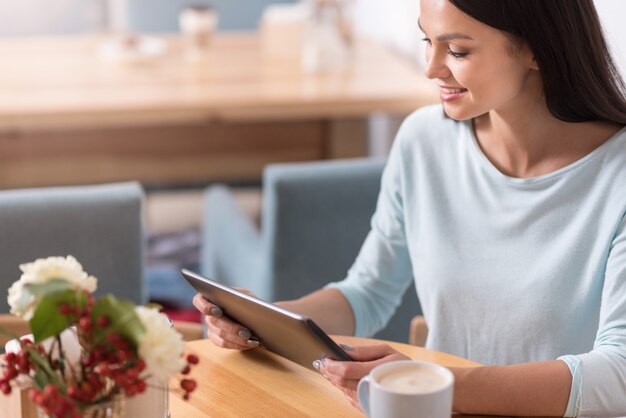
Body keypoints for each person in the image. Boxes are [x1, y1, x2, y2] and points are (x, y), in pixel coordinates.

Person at [193, 0, 626, 415]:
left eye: (457, 50)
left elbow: (618, 373)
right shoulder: (424, 141)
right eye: (427, 41)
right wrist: (265, 321)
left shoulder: (616, 175)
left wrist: (433, 384)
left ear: (537, 47)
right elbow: (368, 292)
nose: (431, 68)